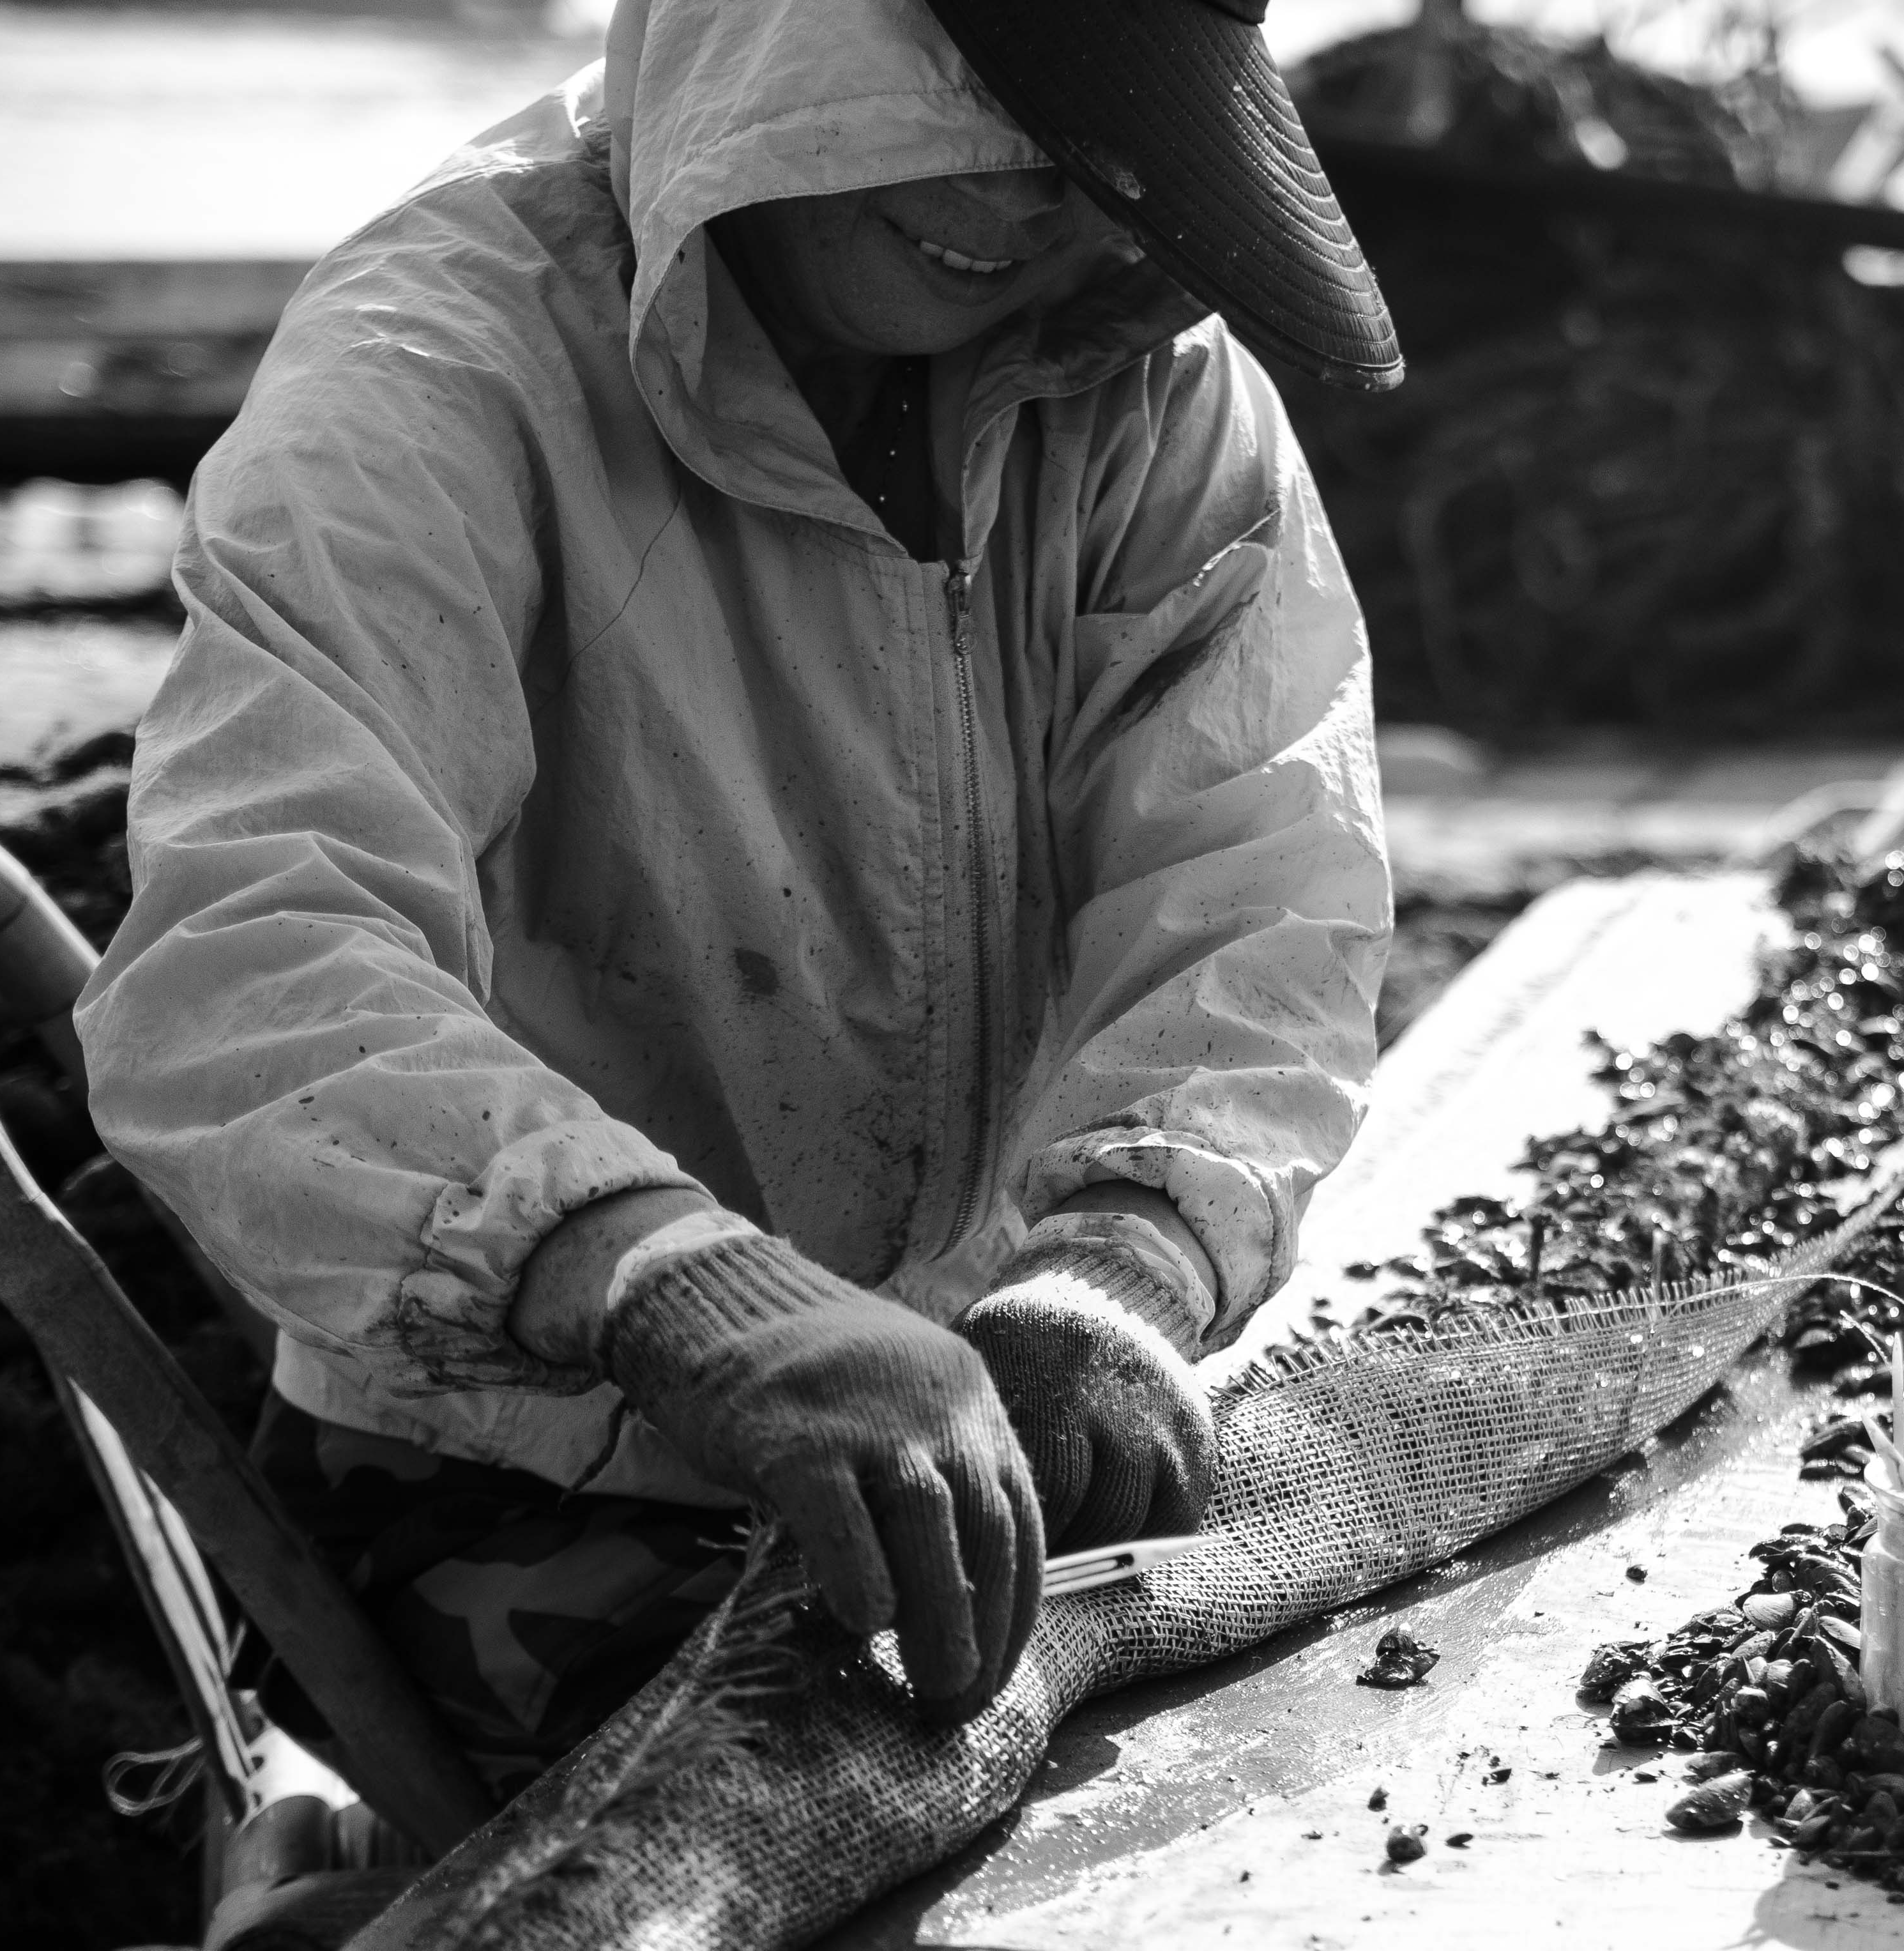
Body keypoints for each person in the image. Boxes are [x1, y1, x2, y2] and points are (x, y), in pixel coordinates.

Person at [75, 0, 1399, 1796]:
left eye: (1096, 152)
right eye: (989, 118)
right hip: (533, 1455)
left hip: (986, 1412)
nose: (1037, 208)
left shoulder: (1145, 388)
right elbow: (253, 959)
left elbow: (1263, 875)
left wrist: (1124, 1260)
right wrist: (680, 1283)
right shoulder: (437, 370)